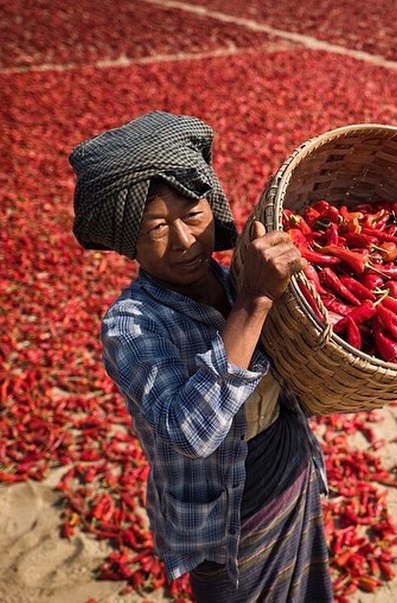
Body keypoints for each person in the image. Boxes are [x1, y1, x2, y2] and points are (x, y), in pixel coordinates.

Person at [69, 111, 333, 602]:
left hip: (288, 467)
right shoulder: (131, 324)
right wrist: (253, 303)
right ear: (129, 242)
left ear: (214, 208)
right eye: (155, 228)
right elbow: (191, 432)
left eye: (192, 215)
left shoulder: (235, 276)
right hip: (222, 517)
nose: (185, 241)